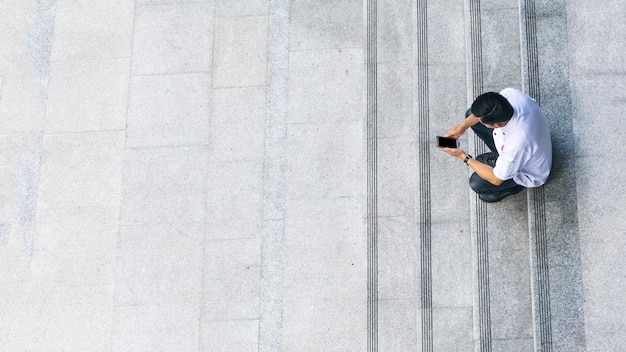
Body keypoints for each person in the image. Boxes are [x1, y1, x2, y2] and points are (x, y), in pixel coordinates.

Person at [442, 88, 552, 202]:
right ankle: (499, 158)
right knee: (470, 114)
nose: (479, 120)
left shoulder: (517, 144)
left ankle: (513, 187)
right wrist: (461, 127)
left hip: (527, 171)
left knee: (477, 183)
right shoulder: (511, 95)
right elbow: (477, 115)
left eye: (483, 121)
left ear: (497, 124)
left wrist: (462, 155)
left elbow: (496, 179)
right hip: (530, 141)